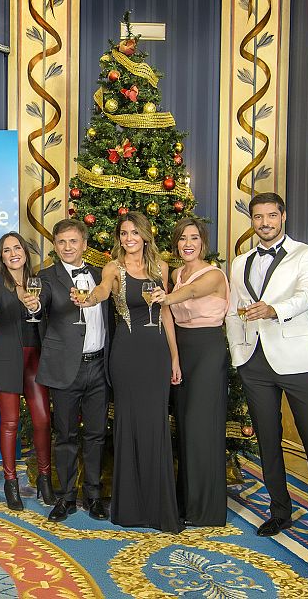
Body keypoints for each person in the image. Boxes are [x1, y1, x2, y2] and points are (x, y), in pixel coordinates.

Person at [224, 192, 308, 553]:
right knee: (267, 439)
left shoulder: (307, 254)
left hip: (296, 360)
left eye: (272, 216)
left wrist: (273, 309)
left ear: (283, 216)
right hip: (254, 362)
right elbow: (234, 310)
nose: (265, 222)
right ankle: (280, 511)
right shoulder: (240, 261)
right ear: (252, 220)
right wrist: (238, 355)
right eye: (259, 217)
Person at [79, 212, 183, 533]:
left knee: (155, 426)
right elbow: (102, 291)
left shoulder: (160, 268)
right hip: (126, 354)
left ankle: (158, 506)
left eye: (134, 233)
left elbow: (165, 314)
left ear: (145, 236)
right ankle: (131, 508)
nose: (128, 239)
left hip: (156, 354)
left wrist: (175, 358)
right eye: (124, 233)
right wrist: (87, 298)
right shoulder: (114, 268)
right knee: (129, 425)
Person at [150, 218, 229, 527]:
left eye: (194, 237)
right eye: (182, 238)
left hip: (208, 349)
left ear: (203, 242)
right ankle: (186, 502)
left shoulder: (213, 274)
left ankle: (206, 509)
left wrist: (166, 297)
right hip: (182, 349)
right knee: (184, 427)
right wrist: (173, 358)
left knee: (201, 426)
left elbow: (195, 292)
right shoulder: (176, 273)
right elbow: (168, 316)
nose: (187, 243)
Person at [0, 232, 55, 511]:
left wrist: (37, 302)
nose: (13, 253)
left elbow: (50, 310)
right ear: (1, 257)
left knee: (42, 420)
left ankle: (45, 479)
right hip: (7, 358)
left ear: (25, 252)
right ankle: (10, 483)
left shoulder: (40, 280)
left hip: (36, 359)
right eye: (6, 250)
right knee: (10, 423)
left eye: (17, 247)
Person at [37, 219, 111, 523]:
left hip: (100, 367)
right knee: (65, 435)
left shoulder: (100, 276)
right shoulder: (45, 277)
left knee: (96, 435)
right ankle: (66, 497)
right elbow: (37, 308)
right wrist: (31, 306)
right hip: (66, 368)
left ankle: (93, 495)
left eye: (73, 241)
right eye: (61, 242)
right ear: (55, 245)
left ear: (84, 244)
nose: (67, 247)